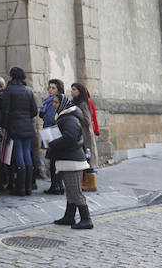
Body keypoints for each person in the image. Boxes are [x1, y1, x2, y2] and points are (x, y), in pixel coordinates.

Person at [47, 94, 94, 229]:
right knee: (70, 191)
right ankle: (69, 216)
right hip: (68, 159)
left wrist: (52, 143)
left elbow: (70, 137)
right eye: (53, 102)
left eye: (56, 102)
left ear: (63, 104)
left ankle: (86, 219)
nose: (54, 104)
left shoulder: (69, 119)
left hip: (73, 161)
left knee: (75, 191)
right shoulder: (64, 117)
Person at [1, 67, 38, 196]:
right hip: (27, 125)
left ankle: (20, 188)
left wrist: (4, 125)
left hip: (14, 126)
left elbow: (5, 110)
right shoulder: (28, 90)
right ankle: (28, 187)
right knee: (27, 153)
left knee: (18, 154)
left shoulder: (9, 90)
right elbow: (34, 111)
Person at [71, 82, 99, 191]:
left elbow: (87, 121)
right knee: (83, 159)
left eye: (74, 89)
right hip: (80, 134)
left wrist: (77, 116)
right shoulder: (76, 103)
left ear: (80, 91)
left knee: (88, 159)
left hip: (86, 135)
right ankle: (85, 182)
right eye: (72, 89)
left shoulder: (83, 104)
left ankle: (91, 184)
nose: (72, 91)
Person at [40, 78, 65, 194]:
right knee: (56, 159)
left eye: (53, 88)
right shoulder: (58, 100)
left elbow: (50, 119)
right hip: (55, 132)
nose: (50, 90)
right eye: (49, 87)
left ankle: (55, 186)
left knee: (53, 160)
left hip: (51, 132)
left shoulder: (53, 101)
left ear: (58, 89)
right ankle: (58, 185)